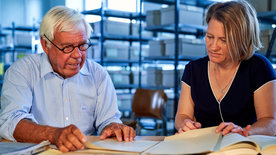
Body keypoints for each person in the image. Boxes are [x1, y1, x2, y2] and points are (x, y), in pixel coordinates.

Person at [0, 6, 136, 152]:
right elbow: (11, 121)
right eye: (67, 47)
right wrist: (53, 134)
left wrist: (113, 128)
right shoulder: (22, 71)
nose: (77, 55)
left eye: (82, 45)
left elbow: (108, 120)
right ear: (45, 45)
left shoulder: (98, 75)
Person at [175, 0, 276, 137]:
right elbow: (182, 115)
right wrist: (185, 123)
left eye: (224, 40)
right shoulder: (193, 70)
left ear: (241, 40)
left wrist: (243, 131)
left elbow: (271, 123)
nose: (213, 46)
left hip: (242, 147)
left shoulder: (259, 67)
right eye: (210, 37)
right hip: (203, 147)